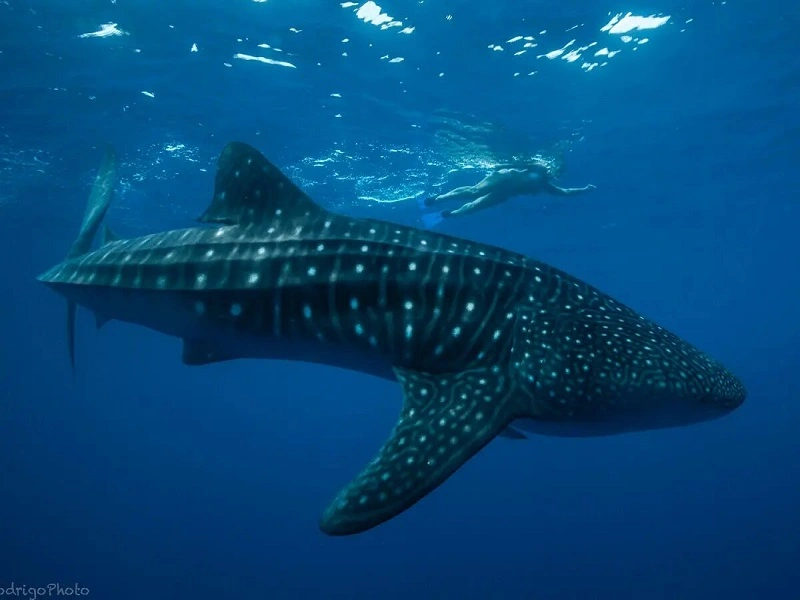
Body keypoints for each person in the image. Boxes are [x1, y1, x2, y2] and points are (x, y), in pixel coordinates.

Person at [419, 160, 595, 228]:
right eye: (554, 171)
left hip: (507, 191)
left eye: (556, 174)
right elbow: (518, 163)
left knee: (475, 206)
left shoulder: (545, 184)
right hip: (503, 178)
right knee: (475, 192)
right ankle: (437, 199)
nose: (553, 175)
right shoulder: (540, 167)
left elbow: (564, 192)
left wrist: (584, 190)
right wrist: (499, 167)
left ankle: (447, 214)